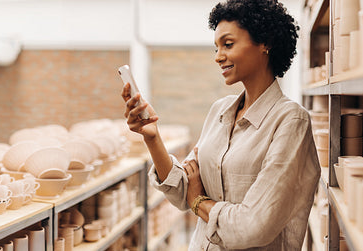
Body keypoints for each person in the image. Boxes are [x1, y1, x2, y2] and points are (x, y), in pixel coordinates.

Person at [121, 0, 320, 250]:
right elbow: (185, 189)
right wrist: (152, 136)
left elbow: (253, 225)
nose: (218, 57)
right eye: (216, 47)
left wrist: (200, 202)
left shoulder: (290, 121)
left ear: (265, 43)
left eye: (228, 44)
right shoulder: (220, 111)